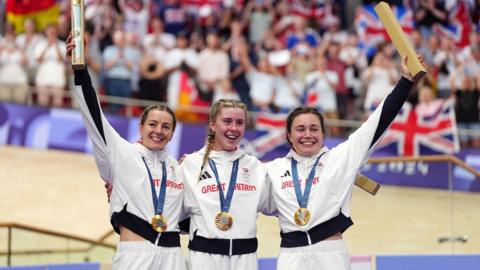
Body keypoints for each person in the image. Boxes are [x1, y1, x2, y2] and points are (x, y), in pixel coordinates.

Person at [265, 54, 425, 270]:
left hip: (331, 255)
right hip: (290, 257)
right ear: (289, 135)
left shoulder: (341, 157)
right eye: (300, 129)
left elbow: (377, 123)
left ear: (323, 133)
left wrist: (405, 81)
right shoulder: (272, 170)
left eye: (314, 129)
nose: (308, 135)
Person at [67, 35, 186, 270]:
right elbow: (93, 116)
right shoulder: (121, 152)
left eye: (165, 127)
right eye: (152, 124)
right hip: (135, 256)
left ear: (172, 133)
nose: (158, 131)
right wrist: (81, 68)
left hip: (173, 257)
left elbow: (189, 217)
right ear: (140, 127)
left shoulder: (176, 168)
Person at [179, 99, 273, 270]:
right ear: (213, 125)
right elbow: (175, 212)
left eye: (240, 123)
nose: (234, 128)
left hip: (245, 259)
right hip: (204, 258)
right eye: (227, 121)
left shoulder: (255, 167)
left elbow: (279, 203)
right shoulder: (191, 164)